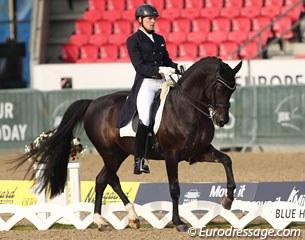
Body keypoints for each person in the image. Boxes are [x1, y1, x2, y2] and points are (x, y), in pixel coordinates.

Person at [116, 4, 183, 175]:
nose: (153, 21)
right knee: (145, 118)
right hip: (146, 83)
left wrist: (176, 66)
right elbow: (139, 67)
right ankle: (139, 160)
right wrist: (159, 70)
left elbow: (166, 60)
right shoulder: (133, 40)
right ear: (140, 20)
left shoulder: (160, 39)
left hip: (163, 82)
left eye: (154, 18)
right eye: (149, 19)